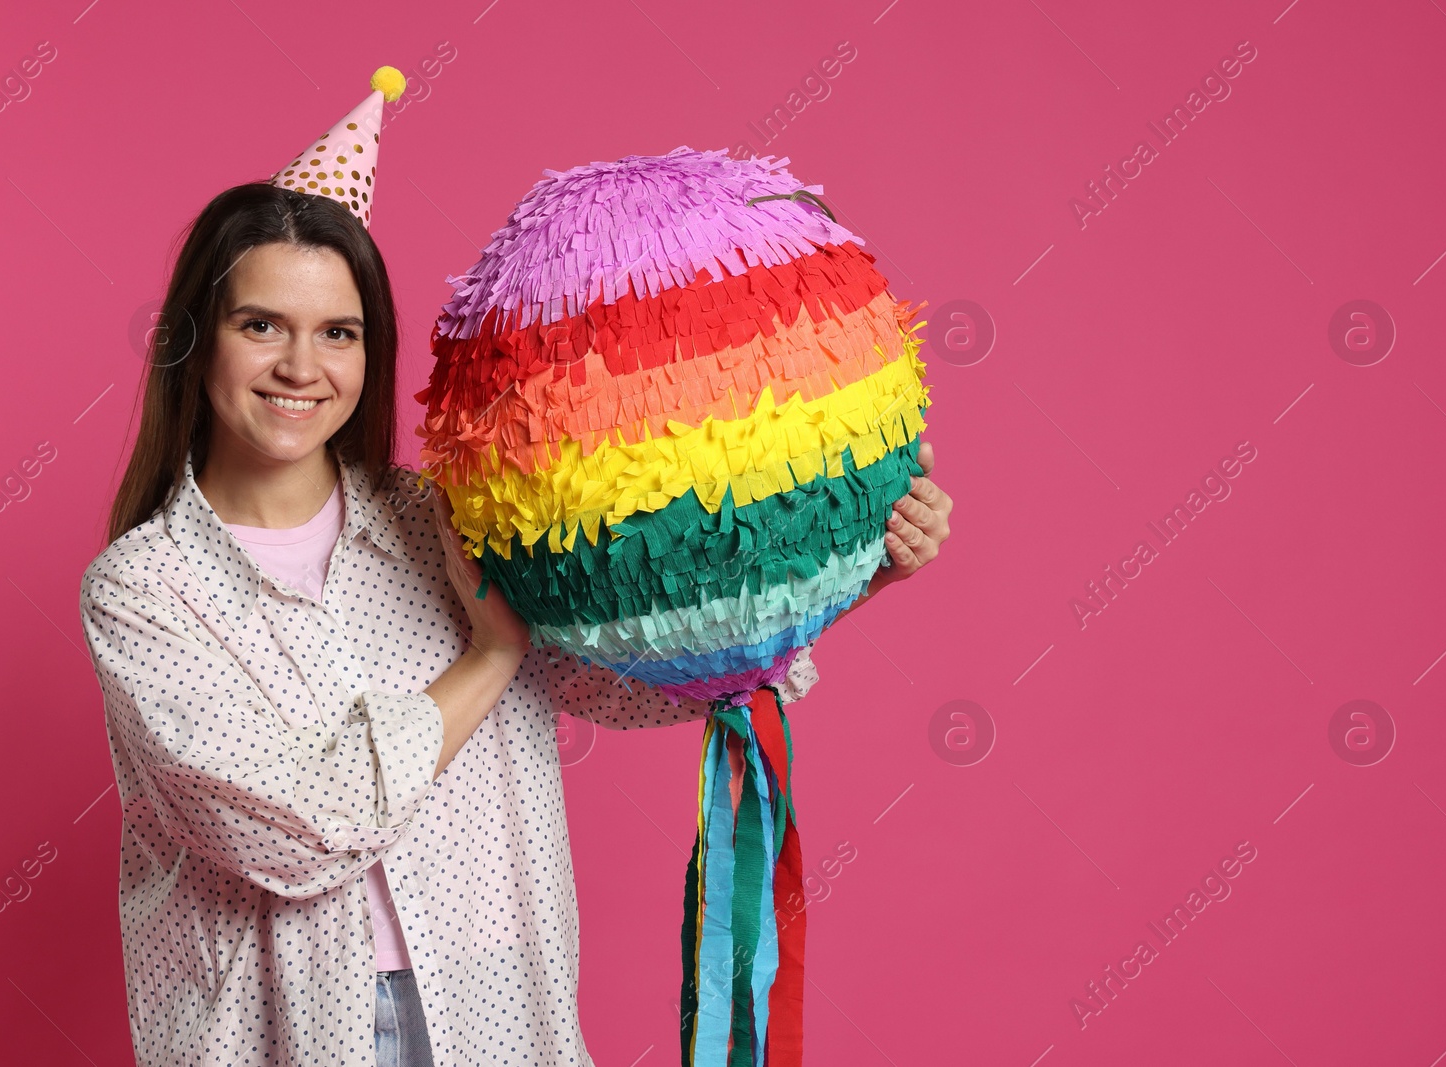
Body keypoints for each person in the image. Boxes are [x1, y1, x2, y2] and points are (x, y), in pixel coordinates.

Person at [79, 73, 953, 1067]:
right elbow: (296, 828)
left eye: (338, 332)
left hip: (492, 998)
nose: (300, 366)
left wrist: (841, 579)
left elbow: (605, 677)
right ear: (197, 342)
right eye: (260, 325)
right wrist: (491, 654)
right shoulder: (144, 590)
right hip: (285, 1028)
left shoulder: (440, 520)